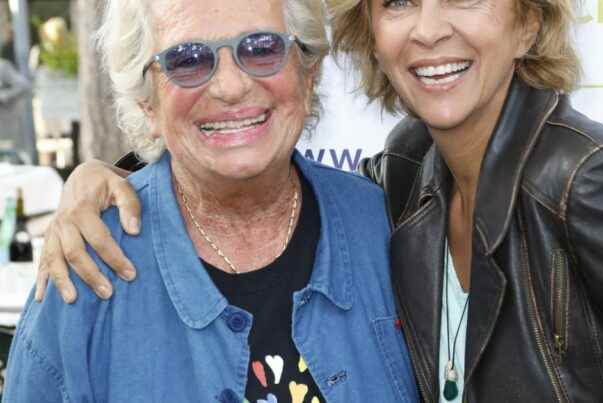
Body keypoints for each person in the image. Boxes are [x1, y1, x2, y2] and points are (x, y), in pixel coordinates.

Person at [33, 0, 603, 401]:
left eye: (261, 48)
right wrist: (101, 174)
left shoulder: (588, 183)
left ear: (529, 20)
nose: (428, 27)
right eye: (399, 0)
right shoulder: (405, 181)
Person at [1, 1, 418, 402]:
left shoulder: (388, 226)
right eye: (187, 59)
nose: (231, 87)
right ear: (148, 102)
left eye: (261, 48)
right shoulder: (83, 268)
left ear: (308, 73)